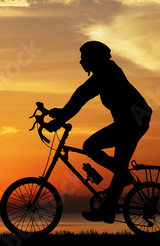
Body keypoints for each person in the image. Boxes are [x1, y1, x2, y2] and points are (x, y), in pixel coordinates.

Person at [48, 41, 152, 223]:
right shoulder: (104, 71)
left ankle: (120, 181)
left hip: (134, 121)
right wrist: (60, 115)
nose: (81, 62)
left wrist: (61, 117)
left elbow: (82, 94)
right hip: (129, 121)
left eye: (83, 58)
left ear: (94, 58)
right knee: (114, 163)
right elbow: (81, 95)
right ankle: (109, 207)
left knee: (91, 146)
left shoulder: (107, 72)